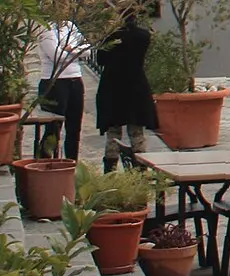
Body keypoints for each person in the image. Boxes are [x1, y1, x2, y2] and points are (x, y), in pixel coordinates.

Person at [96, 11, 156, 170]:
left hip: (112, 86)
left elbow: (100, 59)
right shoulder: (143, 36)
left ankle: (110, 172)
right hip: (136, 85)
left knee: (113, 133)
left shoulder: (111, 37)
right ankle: (141, 171)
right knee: (137, 132)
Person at [33, 20, 88, 160]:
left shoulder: (70, 26)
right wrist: (75, 51)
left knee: (74, 127)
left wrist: (71, 49)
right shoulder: (46, 29)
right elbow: (57, 56)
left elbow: (87, 49)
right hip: (55, 82)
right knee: (53, 127)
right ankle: (44, 161)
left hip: (75, 79)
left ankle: (72, 162)